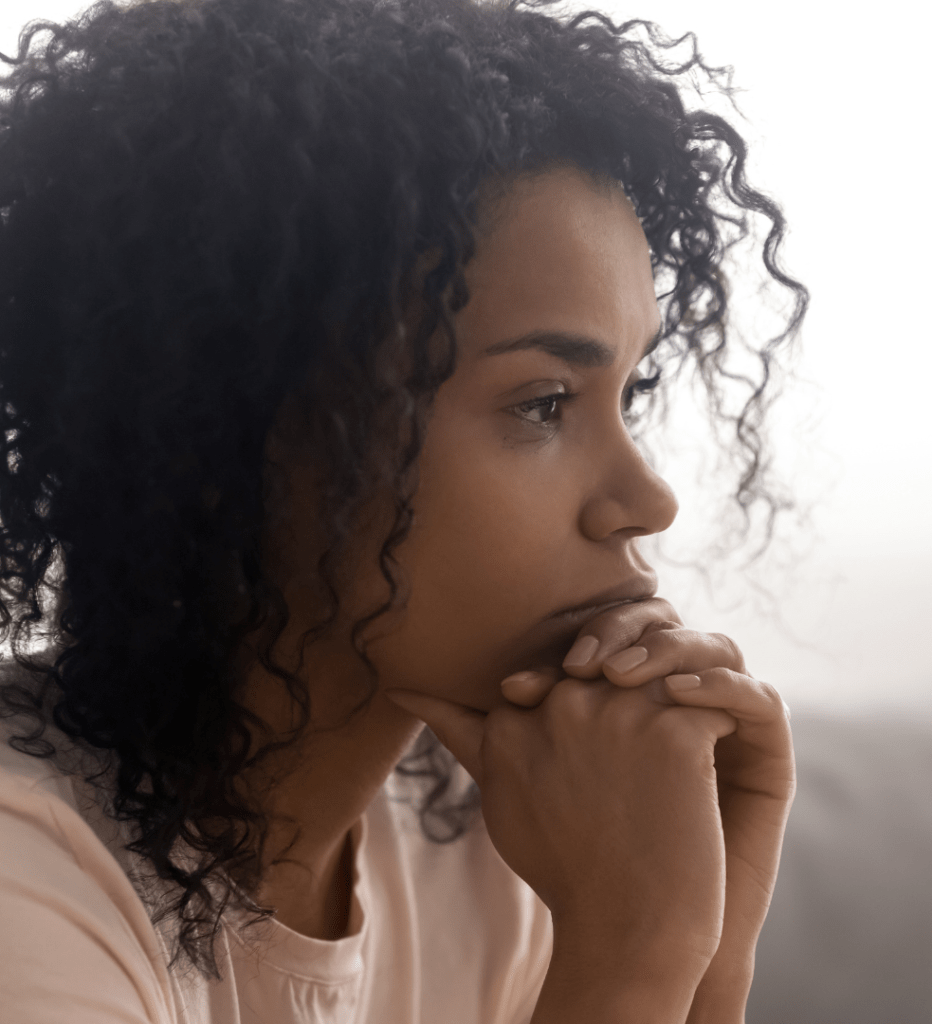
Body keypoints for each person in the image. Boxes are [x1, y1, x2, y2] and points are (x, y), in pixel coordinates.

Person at [0, 0, 804, 1021]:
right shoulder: (24, 882)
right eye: (542, 402)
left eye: (626, 396)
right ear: (236, 429)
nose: (645, 500)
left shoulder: (501, 842)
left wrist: (707, 944)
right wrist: (635, 952)